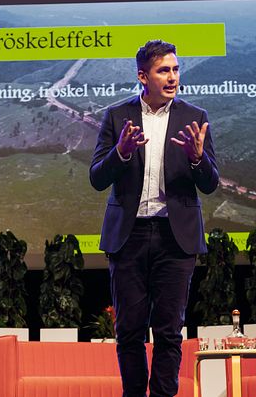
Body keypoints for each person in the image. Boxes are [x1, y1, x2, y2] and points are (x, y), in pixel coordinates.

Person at [89, 40, 219, 397]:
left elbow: (211, 184)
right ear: (142, 76)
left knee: (168, 332)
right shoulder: (117, 117)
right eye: (164, 70)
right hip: (128, 237)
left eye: (176, 69)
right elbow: (97, 177)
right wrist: (120, 153)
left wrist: (197, 159)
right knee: (129, 331)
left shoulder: (196, 117)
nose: (173, 77)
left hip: (175, 238)